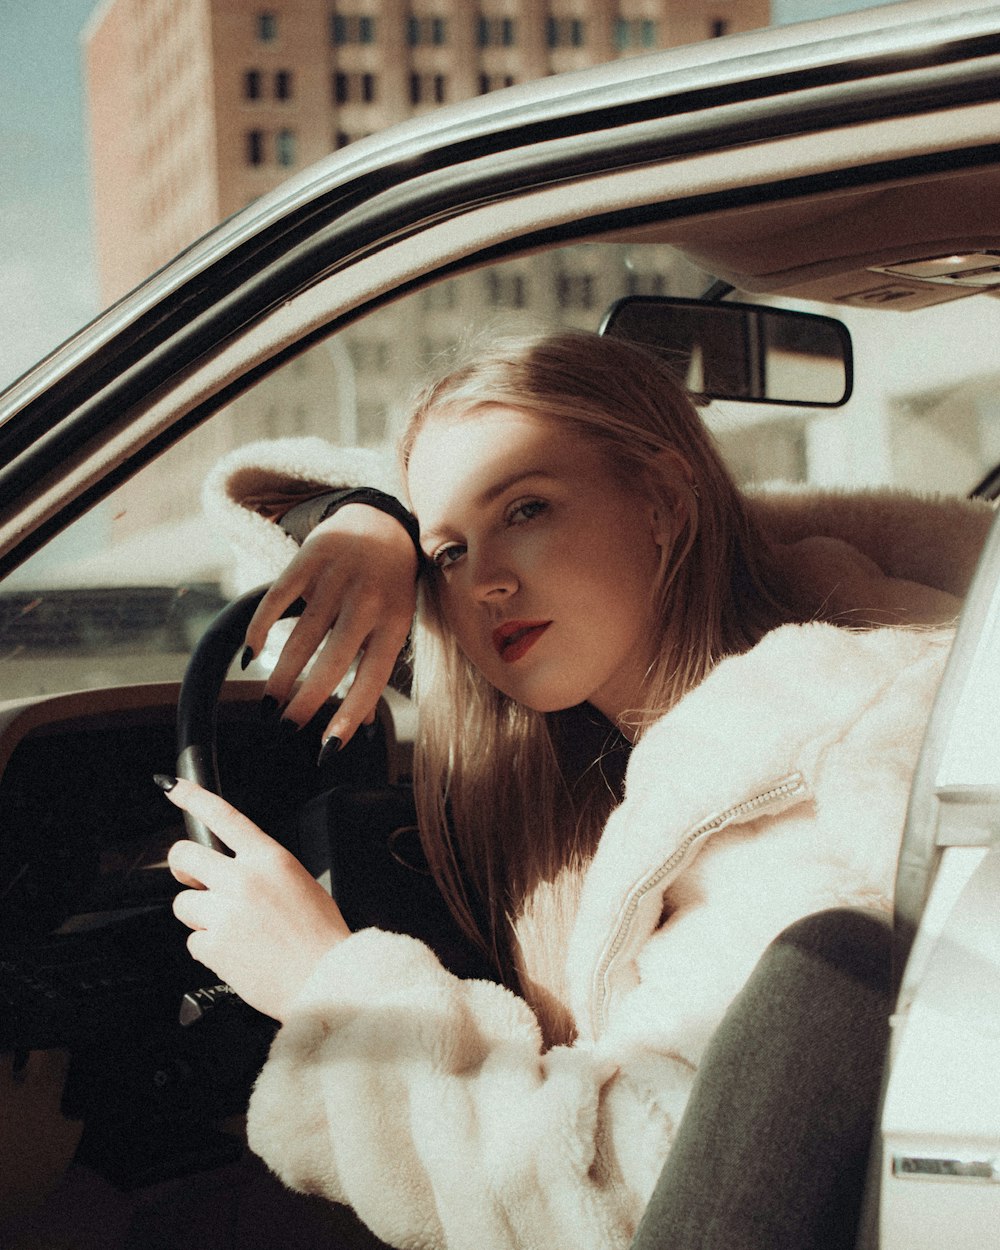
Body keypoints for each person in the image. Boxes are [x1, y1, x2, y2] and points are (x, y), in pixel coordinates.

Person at [160, 330, 990, 1250]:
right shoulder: (713, 708)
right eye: (450, 554)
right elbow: (259, 506)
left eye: (526, 510)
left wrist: (331, 989)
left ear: (667, 502)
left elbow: (617, 1195)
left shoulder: (824, 770)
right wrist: (375, 520)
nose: (485, 584)